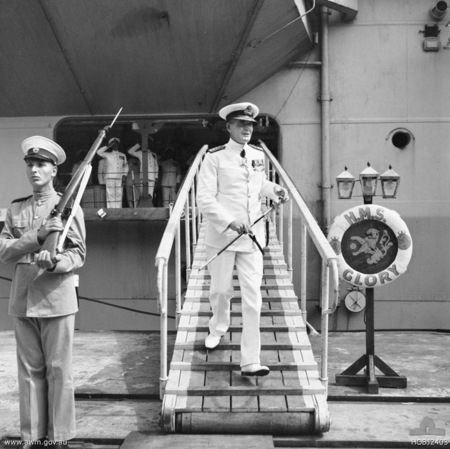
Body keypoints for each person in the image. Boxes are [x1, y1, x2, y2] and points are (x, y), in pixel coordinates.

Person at [0, 136, 86, 449]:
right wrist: (37, 237)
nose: (34, 170)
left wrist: (54, 263)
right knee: (28, 373)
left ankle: (59, 437)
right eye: (31, 164)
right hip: (23, 300)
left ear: (53, 171)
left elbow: (78, 254)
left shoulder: (66, 207)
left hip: (56, 299)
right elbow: (4, 251)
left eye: (41, 165)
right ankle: (33, 438)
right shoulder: (17, 208)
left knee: (59, 371)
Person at [196, 102, 289, 377]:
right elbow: (205, 199)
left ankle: (250, 361)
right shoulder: (214, 158)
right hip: (223, 235)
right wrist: (229, 220)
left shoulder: (258, 154)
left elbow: (259, 185)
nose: (247, 129)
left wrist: (276, 191)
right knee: (222, 291)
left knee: (253, 299)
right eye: (241, 125)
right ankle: (218, 327)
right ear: (229, 127)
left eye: (250, 125)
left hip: (252, 238)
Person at [97, 137, 128, 208]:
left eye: (116, 144)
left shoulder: (123, 155)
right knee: (110, 196)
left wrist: (124, 175)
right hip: (110, 178)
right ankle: (111, 211)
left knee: (119, 195)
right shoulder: (108, 154)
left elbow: (126, 166)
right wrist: (108, 146)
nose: (115, 145)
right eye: (113, 144)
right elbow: (98, 152)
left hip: (119, 178)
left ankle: (118, 211)